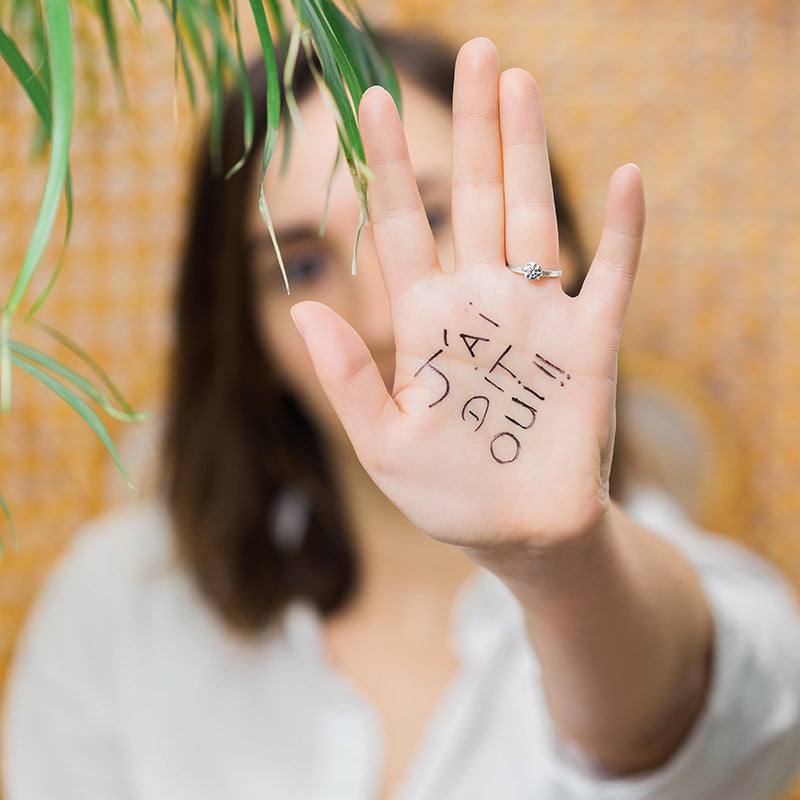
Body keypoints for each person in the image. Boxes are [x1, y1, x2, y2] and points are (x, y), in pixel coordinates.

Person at [4, 32, 800, 800]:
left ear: (552, 244)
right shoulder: (115, 606)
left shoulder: (731, 609)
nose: (386, 319)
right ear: (244, 330)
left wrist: (560, 563)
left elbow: (684, 724)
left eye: (428, 220)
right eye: (306, 264)